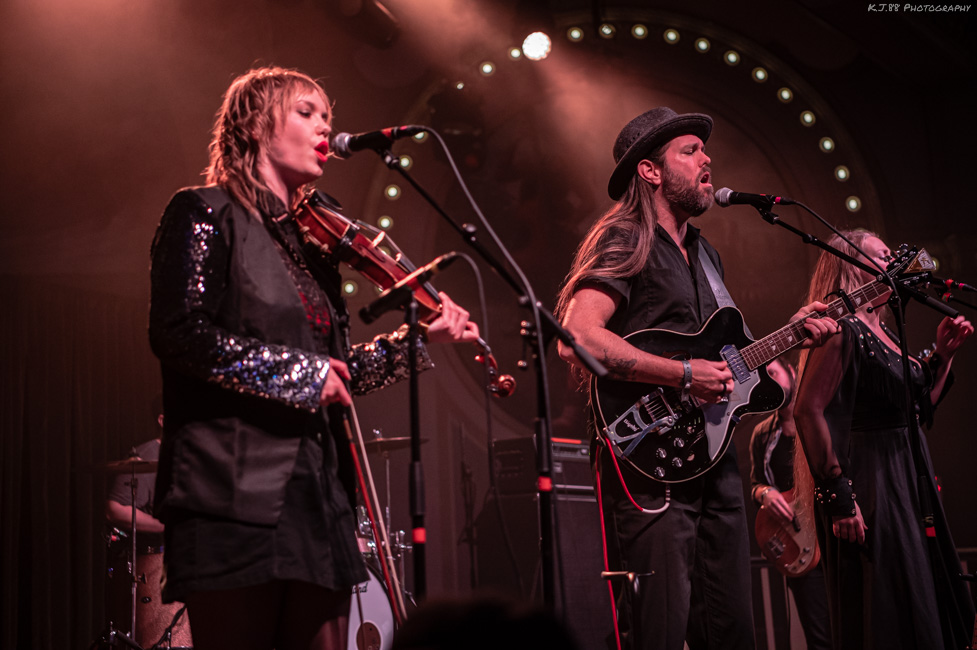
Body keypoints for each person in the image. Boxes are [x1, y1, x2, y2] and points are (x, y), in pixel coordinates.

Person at [148, 66, 479, 650]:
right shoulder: (202, 212)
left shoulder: (313, 250)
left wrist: (421, 340)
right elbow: (180, 335)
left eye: (329, 115)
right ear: (254, 124)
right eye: (307, 112)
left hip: (318, 494)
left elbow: (339, 372)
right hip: (232, 494)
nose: (326, 127)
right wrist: (300, 374)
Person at [556, 106, 837, 650]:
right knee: (658, 629)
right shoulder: (624, 238)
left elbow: (726, 357)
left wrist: (791, 334)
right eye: (690, 151)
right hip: (651, 461)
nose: (707, 159)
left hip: (714, 463)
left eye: (704, 150)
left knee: (732, 629)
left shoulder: (706, 253)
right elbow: (581, 335)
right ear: (650, 171)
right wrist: (682, 374)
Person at [793, 230, 975, 649]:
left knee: (922, 597)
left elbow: (914, 408)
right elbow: (808, 409)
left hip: (908, 479)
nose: (894, 260)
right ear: (853, 267)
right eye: (882, 255)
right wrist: (839, 498)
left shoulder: (888, 334)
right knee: (890, 602)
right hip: (875, 482)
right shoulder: (844, 328)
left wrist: (942, 357)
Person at [747, 358, 830, 650]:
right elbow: (756, 484)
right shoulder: (762, 434)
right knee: (820, 638)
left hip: (833, 535)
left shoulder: (823, 417)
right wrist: (766, 494)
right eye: (763, 378)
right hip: (798, 544)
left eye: (772, 373)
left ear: (792, 373)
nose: (768, 381)